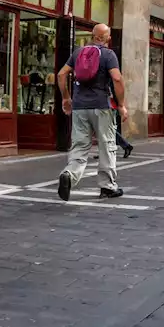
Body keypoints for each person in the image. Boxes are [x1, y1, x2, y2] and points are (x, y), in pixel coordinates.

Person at [56, 24, 128, 201]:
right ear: (106, 38)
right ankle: (107, 187)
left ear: (93, 36)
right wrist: (122, 104)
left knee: (80, 145)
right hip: (102, 106)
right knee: (107, 145)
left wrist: (66, 97)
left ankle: (69, 175)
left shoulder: (78, 52)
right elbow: (117, 79)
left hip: (79, 107)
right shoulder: (109, 55)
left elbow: (61, 74)